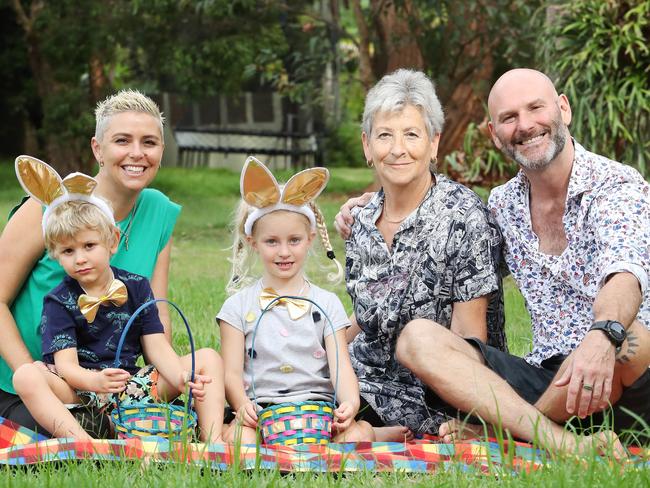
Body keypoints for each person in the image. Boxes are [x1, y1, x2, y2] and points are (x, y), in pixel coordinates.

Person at [338, 68, 650, 455]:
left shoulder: (616, 185)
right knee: (417, 338)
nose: (525, 125)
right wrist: (372, 205)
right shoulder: (504, 205)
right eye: (509, 117)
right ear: (493, 132)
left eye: (536, 108)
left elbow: (626, 276)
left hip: (622, 371)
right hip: (545, 376)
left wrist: (602, 335)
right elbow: (433, 247)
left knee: (632, 337)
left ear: (564, 109)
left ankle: (511, 429)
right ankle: (545, 436)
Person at [0, 90, 181, 433]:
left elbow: (156, 312)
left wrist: (160, 381)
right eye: (122, 141)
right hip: (33, 381)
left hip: (105, 384)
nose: (137, 154)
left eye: (149, 142)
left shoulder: (158, 210)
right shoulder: (52, 207)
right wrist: (33, 374)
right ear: (98, 149)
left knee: (194, 392)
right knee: (66, 428)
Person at [339, 69, 506, 438]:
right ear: (367, 146)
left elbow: (470, 342)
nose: (397, 149)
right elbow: (368, 313)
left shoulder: (463, 217)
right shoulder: (361, 221)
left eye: (411, 134)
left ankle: (371, 430)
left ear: (433, 144)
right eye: (385, 135)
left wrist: (477, 420)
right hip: (360, 380)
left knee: (329, 427)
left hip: (425, 397)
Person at [10, 161, 224, 442]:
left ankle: (213, 440)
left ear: (112, 241)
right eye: (68, 250)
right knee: (27, 375)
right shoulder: (59, 300)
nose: (80, 258)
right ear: (55, 254)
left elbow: (157, 346)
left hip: (131, 383)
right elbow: (66, 367)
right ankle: (82, 442)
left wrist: (181, 377)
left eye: (89, 246)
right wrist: (95, 382)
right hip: (81, 388)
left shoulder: (136, 286)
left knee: (207, 358)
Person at [217, 157, 374, 443]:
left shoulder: (326, 304)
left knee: (353, 437)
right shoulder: (237, 307)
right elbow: (230, 371)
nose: (284, 252)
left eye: (294, 240)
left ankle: (370, 431)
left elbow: (341, 365)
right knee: (241, 443)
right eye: (272, 241)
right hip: (262, 413)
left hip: (318, 412)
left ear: (310, 238)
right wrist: (241, 405)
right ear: (254, 242)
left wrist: (349, 402)